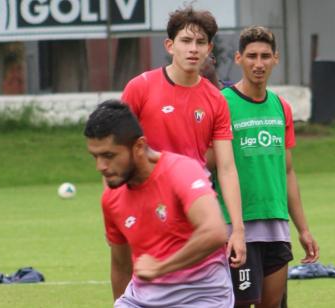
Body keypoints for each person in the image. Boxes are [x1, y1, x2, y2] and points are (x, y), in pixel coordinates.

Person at [121, 6, 246, 267]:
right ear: (170, 45)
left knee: (202, 285)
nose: (193, 49)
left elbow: (226, 168)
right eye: (186, 41)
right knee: (143, 281)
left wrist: (237, 229)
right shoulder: (140, 88)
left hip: (197, 205)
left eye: (201, 42)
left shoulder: (217, 100)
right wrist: (117, 209)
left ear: (209, 49)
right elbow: (119, 155)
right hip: (147, 205)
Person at [84, 100, 234, 307]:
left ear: (138, 146)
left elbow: (215, 232)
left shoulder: (181, 171)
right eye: (95, 157)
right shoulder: (111, 198)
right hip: (142, 299)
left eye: (109, 156)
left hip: (202, 296)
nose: (100, 166)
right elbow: (121, 266)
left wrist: (161, 267)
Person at [212, 26, 319, 308]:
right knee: (238, 303)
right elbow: (212, 164)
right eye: (251, 56)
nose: (258, 64)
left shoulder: (280, 107)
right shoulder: (222, 103)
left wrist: (303, 229)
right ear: (238, 58)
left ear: (276, 59)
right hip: (237, 226)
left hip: (276, 226)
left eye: (265, 56)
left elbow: (287, 171)